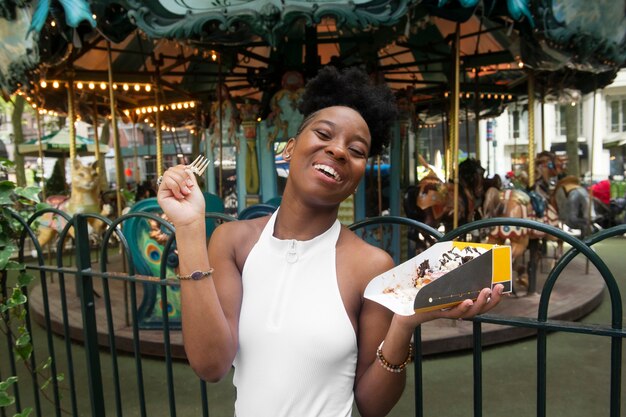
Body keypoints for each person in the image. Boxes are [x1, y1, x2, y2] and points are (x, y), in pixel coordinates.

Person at [157, 66, 504, 417]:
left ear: (358, 176)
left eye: (356, 150)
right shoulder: (233, 242)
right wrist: (188, 229)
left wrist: (403, 323)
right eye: (324, 134)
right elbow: (211, 365)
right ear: (289, 149)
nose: (338, 151)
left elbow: (372, 404)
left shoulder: (370, 265)